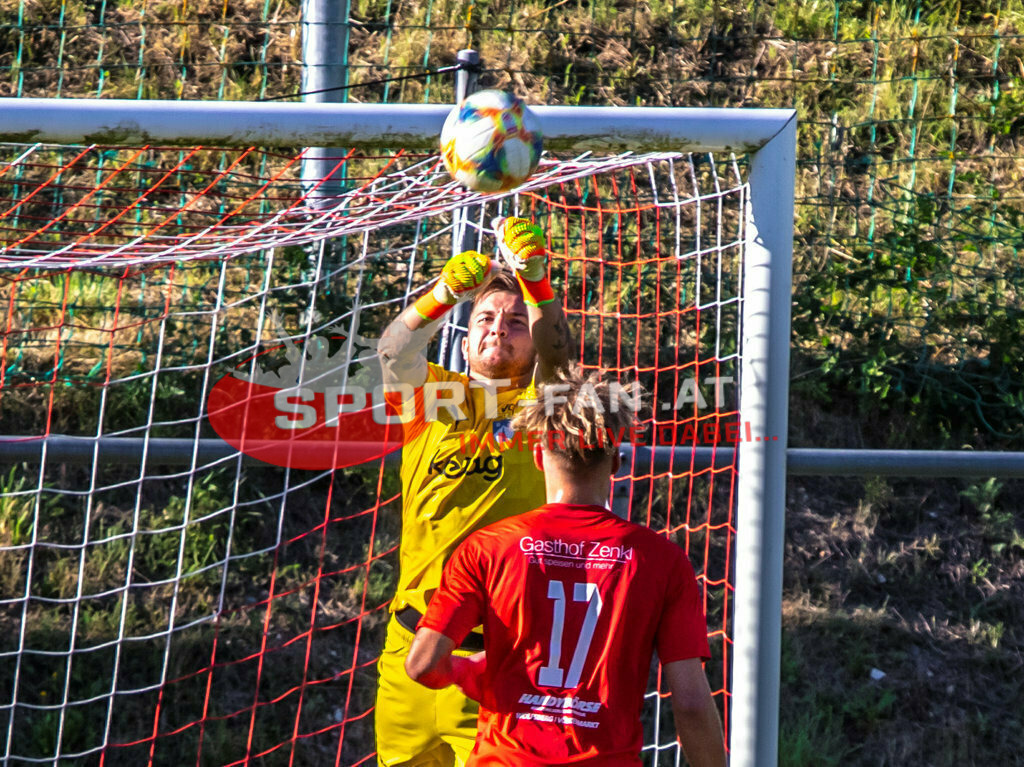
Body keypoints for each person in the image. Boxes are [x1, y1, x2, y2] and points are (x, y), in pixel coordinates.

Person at [404, 367, 727, 767]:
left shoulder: (488, 548)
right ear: (616, 462)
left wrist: (470, 673)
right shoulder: (662, 561)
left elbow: (422, 665)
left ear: (538, 455)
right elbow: (692, 704)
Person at [373, 217, 572, 766]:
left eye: (514, 322)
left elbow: (559, 354)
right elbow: (392, 351)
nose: (497, 328)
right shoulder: (434, 396)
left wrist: (535, 281)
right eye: (485, 317)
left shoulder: (545, 403)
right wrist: (442, 295)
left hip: (501, 663)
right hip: (410, 649)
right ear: (465, 339)